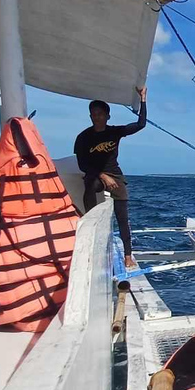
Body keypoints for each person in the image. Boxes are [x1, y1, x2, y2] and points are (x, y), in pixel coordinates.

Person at [74, 86, 147, 268]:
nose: (96, 117)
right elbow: (82, 165)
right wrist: (102, 175)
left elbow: (141, 124)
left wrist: (143, 99)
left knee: (122, 215)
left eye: (100, 113)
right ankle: (89, 220)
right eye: (93, 114)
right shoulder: (83, 137)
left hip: (115, 175)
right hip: (96, 176)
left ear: (108, 116)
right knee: (90, 184)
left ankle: (128, 255)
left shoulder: (115, 132)